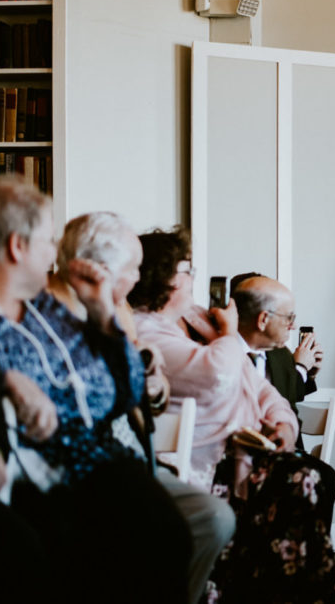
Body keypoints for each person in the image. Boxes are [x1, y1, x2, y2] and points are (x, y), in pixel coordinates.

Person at [0, 177, 191, 603]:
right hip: (55, 473)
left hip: (93, 462)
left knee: (166, 535)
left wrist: (107, 323)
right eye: (50, 242)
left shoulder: (61, 312)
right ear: (16, 247)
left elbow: (123, 396)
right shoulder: (28, 311)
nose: (57, 255)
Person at [130, 226, 335, 603]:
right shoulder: (144, 330)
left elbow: (260, 387)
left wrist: (283, 422)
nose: (194, 278)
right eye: (186, 270)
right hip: (206, 460)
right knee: (305, 479)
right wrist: (227, 335)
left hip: (241, 449)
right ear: (163, 278)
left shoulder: (197, 319)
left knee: (311, 477)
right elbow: (217, 373)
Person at [50, 211, 236, 604]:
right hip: (84, 461)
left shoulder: (121, 312)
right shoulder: (52, 311)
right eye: (132, 268)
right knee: (180, 525)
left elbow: (152, 395)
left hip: (135, 450)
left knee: (214, 518)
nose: (137, 278)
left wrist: (150, 383)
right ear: (98, 267)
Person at [231, 272, 323, 450]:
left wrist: (308, 373)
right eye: (289, 317)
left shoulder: (280, 353)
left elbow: (288, 401)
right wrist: (301, 368)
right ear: (262, 318)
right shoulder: (218, 351)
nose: (293, 325)